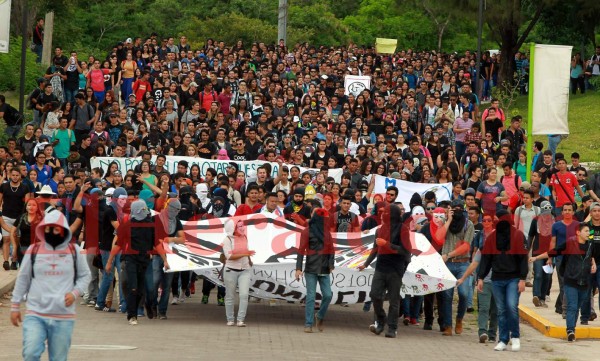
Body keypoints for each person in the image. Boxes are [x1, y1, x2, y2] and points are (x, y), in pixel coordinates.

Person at [10, 209, 91, 361]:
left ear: (63, 230)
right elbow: (23, 279)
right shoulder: (33, 251)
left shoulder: (74, 251)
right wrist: (15, 306)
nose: (51, 232)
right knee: (30, 353)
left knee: (59, 358)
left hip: (63, 316)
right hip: (36, 314)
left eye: (55, 229)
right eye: (47, 228)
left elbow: (85, 275)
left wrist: (75, 293)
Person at [106, 200, 169, 325]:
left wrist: (165, 260)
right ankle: (132, 315)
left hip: (145, 260)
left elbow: (157, 244)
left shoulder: (151, 225)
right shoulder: (126, 225)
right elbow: (118, 245)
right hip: (130, 259)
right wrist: (109, 261)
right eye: (141, 210)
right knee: (133, 288)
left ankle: (148, 304)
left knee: (145, 290)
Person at [477, 210, 528, 352]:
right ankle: (503, 340)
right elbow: (486, 259)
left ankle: (515, 337)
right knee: (501, 310)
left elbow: (523, 259)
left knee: (511, 307)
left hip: (514, 278)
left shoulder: (518, 235)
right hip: (497, 278)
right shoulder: (492, 237)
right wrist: (480, 277)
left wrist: (523, 279)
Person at [359, 203, 412, 338]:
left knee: (394, 300)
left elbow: (406, 251)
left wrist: (387, 244)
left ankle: (392, 328)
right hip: (381, 267)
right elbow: (375, 249)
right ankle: (381, 320)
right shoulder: (379, 230)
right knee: (375, 295)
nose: (383, 215)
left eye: (386, 213)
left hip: (395, 268)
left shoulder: (403, 229)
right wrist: (365, 264)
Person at [295, 207, 334, 333]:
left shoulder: (327, 232)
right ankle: (308, 323)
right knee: (311, 297)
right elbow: (301, 250)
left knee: (328, 295)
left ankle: (320, 316)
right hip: (311, 268)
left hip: (324, 269)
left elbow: (331, 249)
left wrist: (331, 264)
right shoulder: (307, 232)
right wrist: (298, 268)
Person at [560, 223, 596, 342]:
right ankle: (570, 330)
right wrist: (537, 258)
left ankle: (572, 329)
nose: (588, 233)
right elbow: (555, 251)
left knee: (577, 307)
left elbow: (592, 257)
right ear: (578, 232)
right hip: (570, 279)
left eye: (589, 231)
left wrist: (593, 264)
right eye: (586, 231)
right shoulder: (570, 243)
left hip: (584, 281)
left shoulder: (590, 245)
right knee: (572, 306)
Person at [223, 218, 254, 327]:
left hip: (244, 270)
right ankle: (230, 319)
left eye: (243, 225)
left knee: (244, 295)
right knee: (230, 296)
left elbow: (247, 250)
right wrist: (246, 254)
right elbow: (229, 256)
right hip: (230, 271)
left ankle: (240, 319)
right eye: (239, 226)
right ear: (233, 228)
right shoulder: (228, 240)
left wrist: (249, 260)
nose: (242, 228)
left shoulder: (245, 237)